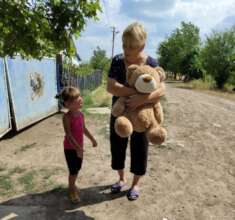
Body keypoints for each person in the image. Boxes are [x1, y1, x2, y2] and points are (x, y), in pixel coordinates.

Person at [107, 22, 165, 201]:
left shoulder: (151, 63)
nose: (126, 49)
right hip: (121, 112)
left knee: (140, 149)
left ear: (142, 45)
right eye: (124, 44)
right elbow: (111, 87)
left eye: (131, 46)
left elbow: (162, 88)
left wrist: (144, 99)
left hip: (143, 116)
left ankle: (136, 184)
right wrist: (136, 92)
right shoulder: (117, 60)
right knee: (117, 146)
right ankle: (121, 178)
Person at [55, 86, 98, 203]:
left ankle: (72, 184)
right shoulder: (67, 117)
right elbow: (68, 135)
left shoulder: (81, 114)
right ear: (68, 104)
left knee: (77, 168)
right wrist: (78, 148)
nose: (80, 99)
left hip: (79, 148)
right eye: (76, 98)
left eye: (80, 96)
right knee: (73, 170)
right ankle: (71, 190)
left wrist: (92, 139)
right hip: (70, 148)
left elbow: (84, 128)